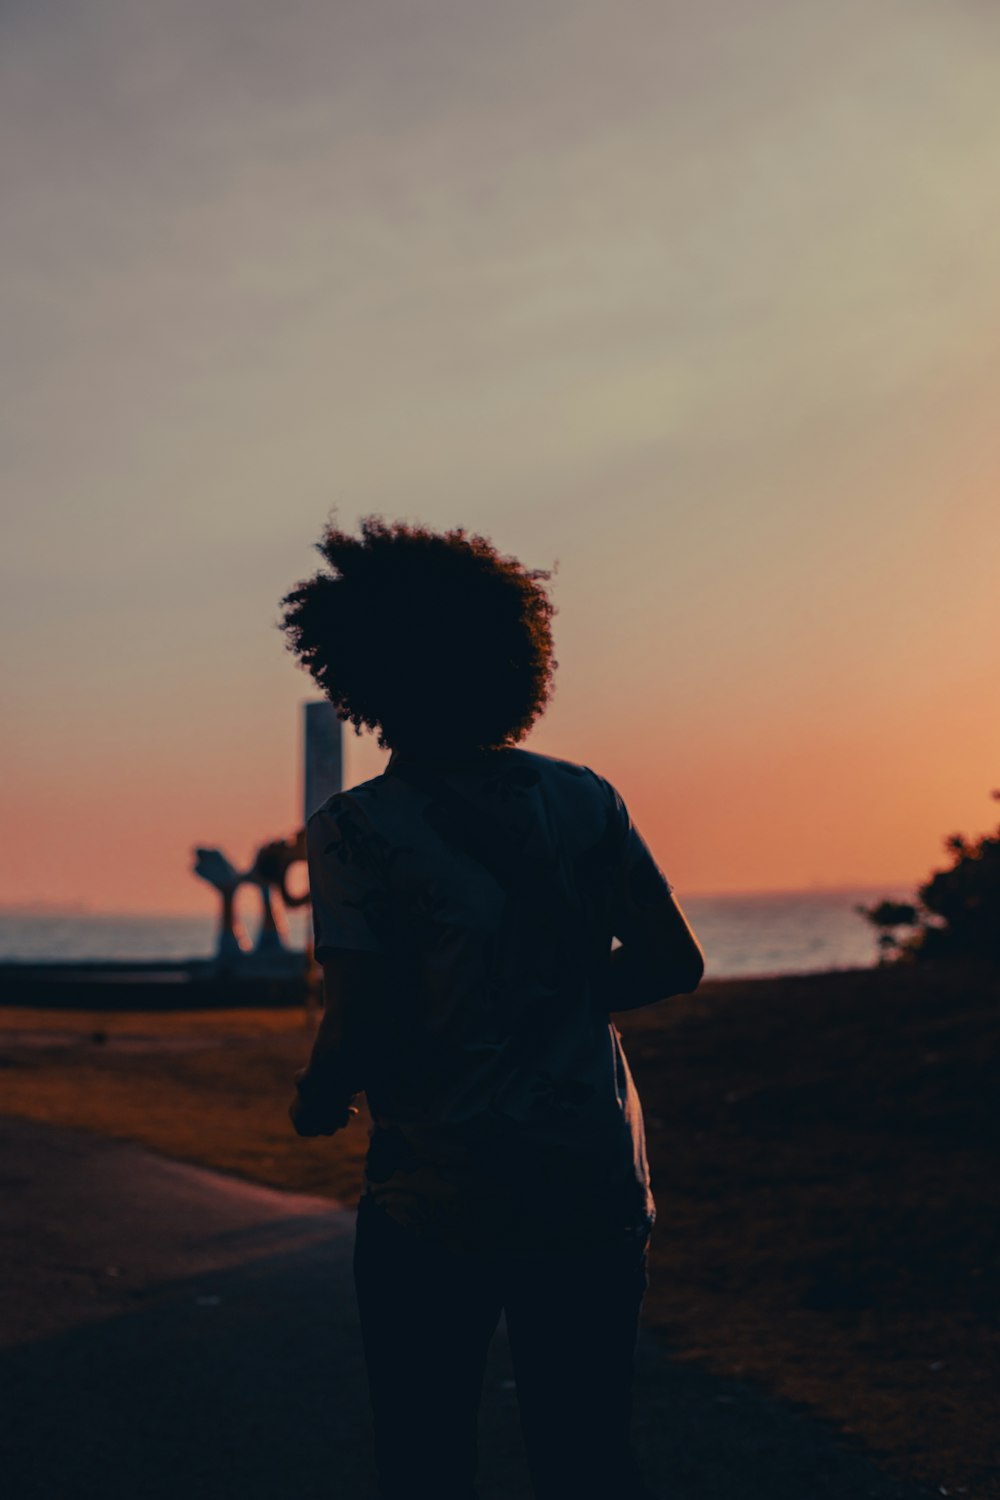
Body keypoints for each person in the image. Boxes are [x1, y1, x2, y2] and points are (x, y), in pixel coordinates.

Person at [280, 516, 704, 1500]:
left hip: (438, 1195)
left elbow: (358, 1018)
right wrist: (549, 1000)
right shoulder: (583, 800)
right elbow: (672, 962)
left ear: (361, 675)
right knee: (587, 1449)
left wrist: (317, 1099)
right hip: (591, 1181)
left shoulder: (355, 830)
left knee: (425, 1453)